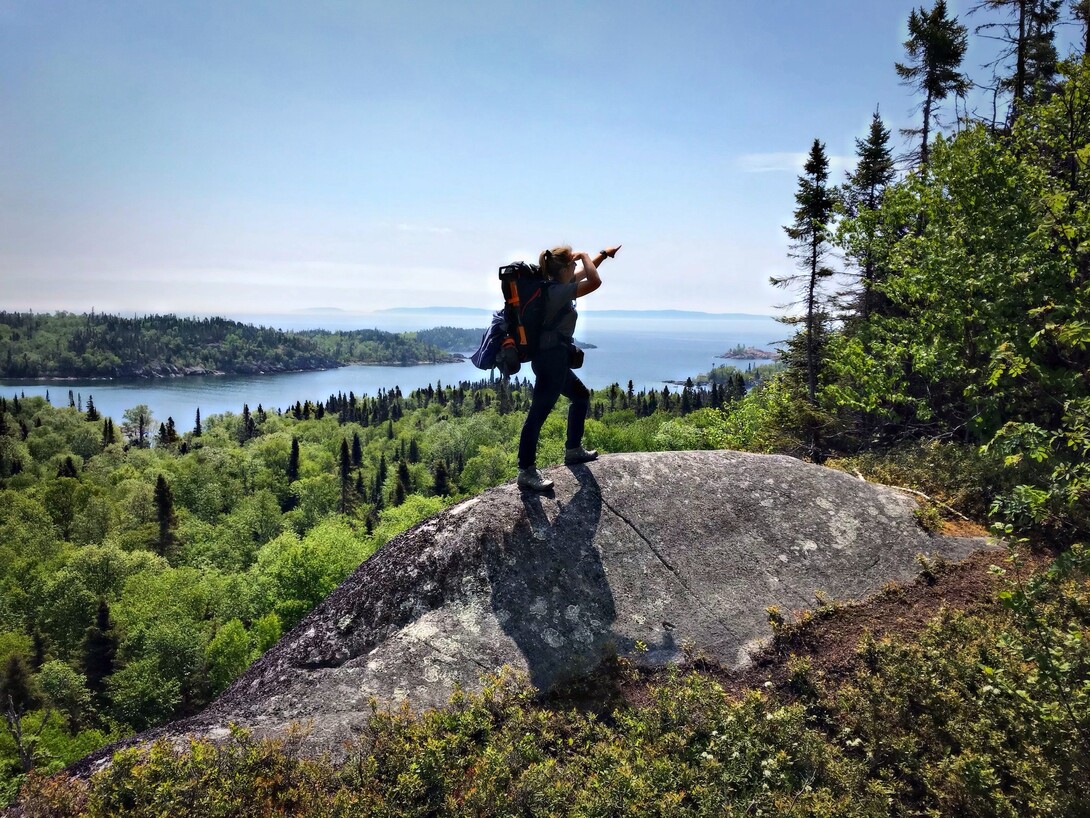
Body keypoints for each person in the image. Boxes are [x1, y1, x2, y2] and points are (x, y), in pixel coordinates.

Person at [517, 244, 619, 492]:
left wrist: (602, 255)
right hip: (551, 362)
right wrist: (584, 255)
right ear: (564, 269)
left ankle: (573, 450)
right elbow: (594, 282)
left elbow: (586, 273)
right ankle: (526, 471)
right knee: (538, 414)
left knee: (581, 396)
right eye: (573, 264)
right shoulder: (558, 292)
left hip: (554, 360)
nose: (577, 266)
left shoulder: (554, 288)